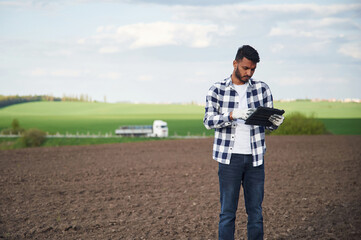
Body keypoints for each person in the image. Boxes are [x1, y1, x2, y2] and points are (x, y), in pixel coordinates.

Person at [203, 45, 284, 240]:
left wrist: (275, 123)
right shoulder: (217, 90)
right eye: (245, 68)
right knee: (227, 214)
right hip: (229, 159)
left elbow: (269, 123)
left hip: (255, 159)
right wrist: (231, 115)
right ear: (235, 63)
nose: (249, 73)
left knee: (255, 214)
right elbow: (208, 121)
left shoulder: (262, 89)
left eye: (253, 69)